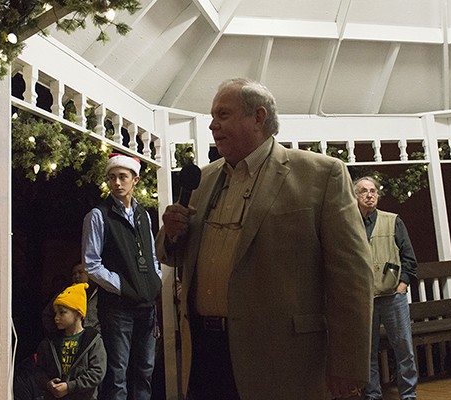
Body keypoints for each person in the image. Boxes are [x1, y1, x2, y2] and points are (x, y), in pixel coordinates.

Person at [156, 78, 374, 400]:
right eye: (212, 116)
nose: (213, 125)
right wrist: (171, 235)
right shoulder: (203, 180)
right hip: (205, 352)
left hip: (283, 360)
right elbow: (170, 254)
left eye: (223, 115)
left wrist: (348, 362)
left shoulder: (320, 175)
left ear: (258, 117)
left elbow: (352, 277)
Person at [82, 153, 162, 400]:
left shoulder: (143, 215)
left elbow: (151, 255)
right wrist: (124, 287)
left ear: (135, 180)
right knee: (117, 375)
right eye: (111, 177)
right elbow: (91, 263)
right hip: (118, 309)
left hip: (146, 307)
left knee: (145, 371)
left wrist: (154, 280)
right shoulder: (98, 215)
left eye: (122, 177)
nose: (116, 182)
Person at [354, 176, 418, 400]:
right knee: (367, 352)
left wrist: (403, 285)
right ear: (355, 196)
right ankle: (372, 395)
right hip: (364, 299)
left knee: (404, 350)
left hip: (393, 297)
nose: (369, 194)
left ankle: (409, 395)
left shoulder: (393, 221)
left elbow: (408, 257)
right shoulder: (348, 223)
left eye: (373, 190)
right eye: (363, 191)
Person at [35, 283, 106, 400]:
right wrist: (48, 383)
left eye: (62, 312)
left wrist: (70, 387)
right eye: (55, 313)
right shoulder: (48, 343)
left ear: (78, 314)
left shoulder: (93, 340)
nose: (56, 317)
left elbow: (97, 372)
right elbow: (39, 371)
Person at [42, 263, 100, 334]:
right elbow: (47, 315)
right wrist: (58, 333)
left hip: (94, 338)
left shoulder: (99, 293)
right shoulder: (65, 293)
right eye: (74, 274)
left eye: (80, 272)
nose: (77, 276)